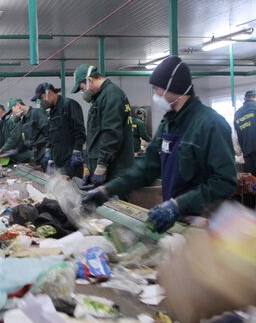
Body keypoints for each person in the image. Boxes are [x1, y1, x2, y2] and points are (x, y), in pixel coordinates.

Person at [82, 56, 237, 233]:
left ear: (172, 87)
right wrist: (106, 190)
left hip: (204, 222)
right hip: (176, 219)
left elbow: (225, 181)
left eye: (156, 88)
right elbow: (147, 167)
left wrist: (178, 204)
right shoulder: (168, 123)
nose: (155, 94)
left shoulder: (210, 124)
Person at [71, 65, 134, 188]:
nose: (82, 91)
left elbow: (111, 133)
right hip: (107, 169)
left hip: (114, 170)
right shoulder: (101, 97)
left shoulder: (111, 95)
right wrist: (89, 166)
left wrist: (101, 165)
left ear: (89, 80)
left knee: (115, 206)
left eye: (81, 88)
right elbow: (96, 135)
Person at [31, 82, 86, 177]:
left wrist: (77, 152)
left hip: (71, 161)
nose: (40, 102)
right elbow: (52, 136)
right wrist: (51, 157)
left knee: (72, 190)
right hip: (59, 162)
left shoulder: (69, 105)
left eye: (41, 98)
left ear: (48, 93)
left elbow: (79, 132)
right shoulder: (52, 112)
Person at [9, 98, 48, 165]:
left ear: (18, 105)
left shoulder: (36, 113)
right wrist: (17, 150)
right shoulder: (24, 120)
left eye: (13, 110)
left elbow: (47, 131)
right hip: (37, 154)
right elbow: (27, 140)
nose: (13, 113)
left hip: (44, 152)